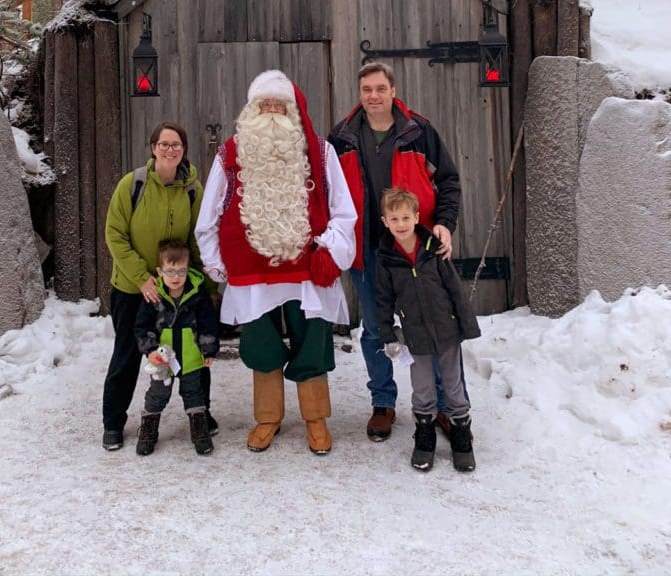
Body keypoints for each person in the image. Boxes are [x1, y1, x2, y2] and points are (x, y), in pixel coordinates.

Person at [195, 69, 356, 455]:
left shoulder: (319, 152)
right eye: (263, 105)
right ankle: (268, 417)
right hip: (251, 272)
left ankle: (315, 418)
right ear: (251, 110)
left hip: (305, 271)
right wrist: (215, 262)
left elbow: (344, 211)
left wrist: (331, 251)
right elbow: (209, 214)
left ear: (292, 111)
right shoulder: (230, 154)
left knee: (312, 341)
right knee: (261, 343)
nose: (270, 112)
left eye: (278, 105)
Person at [328, 61, 461, 442]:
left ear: (393, 91)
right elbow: (327, 193)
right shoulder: (342, 138)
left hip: (415, 249)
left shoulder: (418, 132)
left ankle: (440, 404)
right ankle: (383, 403)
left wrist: (444, 224)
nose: (373, 96)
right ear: (359, 93)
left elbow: (448, 181)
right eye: (366, 89)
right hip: (368, 251)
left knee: (430, 326)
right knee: (374, 329)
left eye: (380, 88)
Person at [101, 121, 213, 451]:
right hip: (133, 289)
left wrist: (204, 285)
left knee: (191, 352)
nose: (169, 149)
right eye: (163, 144)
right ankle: (113, 422)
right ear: (153, 148)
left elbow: (199, 237)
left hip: (178, 290)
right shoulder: (132, 185)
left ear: (183, 150)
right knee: (127, 354)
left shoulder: (193, 189)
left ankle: (202, 414)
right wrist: (142, 277)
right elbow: (114, 235)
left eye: (175, 144)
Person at [376, 187, 480, 471]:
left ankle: (461, 435)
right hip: (415, 336)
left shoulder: (434, 249)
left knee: (453, 384)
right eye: (394, 219)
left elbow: (454, 288)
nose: (401, 224)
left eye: (406, 218)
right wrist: (387, 333)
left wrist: (466, 323)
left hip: (447, 330)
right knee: (422, 388)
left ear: (417, 217)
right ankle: (424, 436)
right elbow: (383, 298)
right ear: (385, 221)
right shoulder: (386, 257)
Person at [133, 239, 220, 456]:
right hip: (162, 360)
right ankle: (149, 429)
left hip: (190, 356)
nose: (176, 277)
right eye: (170, 271)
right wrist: (150, 350)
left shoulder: (197, 295)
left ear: (188, 269)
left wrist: (208, 350)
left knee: (194, 392)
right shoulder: (154, 297)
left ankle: (199, 430)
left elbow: (208, 323)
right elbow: (142, 326)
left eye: (181, 271)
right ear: (159, 271)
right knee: (158, 393)